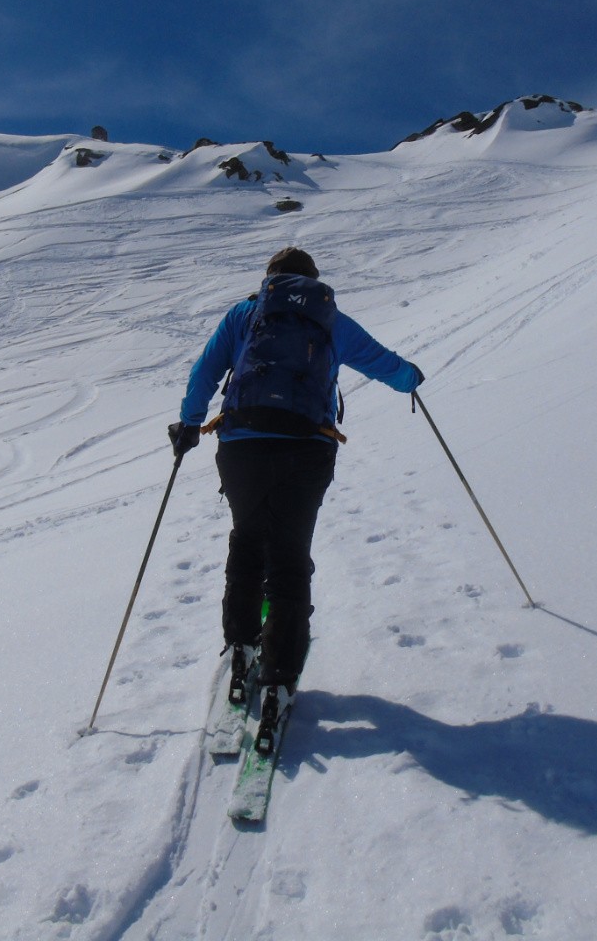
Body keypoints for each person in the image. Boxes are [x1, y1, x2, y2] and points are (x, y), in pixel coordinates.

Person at [169, 247, 423, 751]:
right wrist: (411, 378)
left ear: (269, 280)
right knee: (288, 553)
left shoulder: (244, 314)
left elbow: (204, 373)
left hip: (241, 445)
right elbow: (378, 361)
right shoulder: (329, 318)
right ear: (312, 282)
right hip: (307, 448)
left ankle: (240, 646)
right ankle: (279, 677)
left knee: (246, 539)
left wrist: (190, 423)